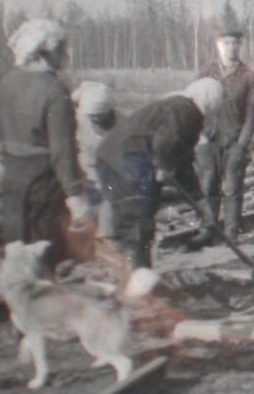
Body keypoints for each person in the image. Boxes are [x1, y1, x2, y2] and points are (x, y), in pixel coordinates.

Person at [95, 78, 222, 269]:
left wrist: (199, 200)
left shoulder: (176, 106)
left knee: (129, 225)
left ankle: (129, 274)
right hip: (129, 160)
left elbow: (183, 162)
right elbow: (165, 145)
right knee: (137, 227)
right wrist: (165, 168)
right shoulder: (186, 110)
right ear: (210, 101)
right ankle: (137, 277)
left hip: (111, 157)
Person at [0, 18, 91, 269]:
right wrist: (76, 198)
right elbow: (62, 152)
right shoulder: (54, 89)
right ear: (45, 52)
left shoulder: (7, 82)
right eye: (61, 48)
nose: (65, 54)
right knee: (44, 254)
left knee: (16, 250)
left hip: (12, 179)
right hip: (42, 183)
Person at [195, 26, 254, 241]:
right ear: (218, 46)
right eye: (226, 43)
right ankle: (207, 230)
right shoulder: (206, 73)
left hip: (234, 140)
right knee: (207, 185)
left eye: (235, 43)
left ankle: (231, 232)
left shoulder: (247, 76)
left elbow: (252, 113)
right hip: (208, 139)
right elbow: (193, 104)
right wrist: (199, 136)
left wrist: (242, 144)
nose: (231, 47)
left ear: (240, 46)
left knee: (232, 187)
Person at [72, 81, 119, 239]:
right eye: (92, 116)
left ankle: (106, 237)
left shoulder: (121, 122)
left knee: (108, 211)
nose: (95, 119)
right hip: (85, 172)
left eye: (100, 116)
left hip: (111, 174)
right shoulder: (76, 121)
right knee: (86, 213)